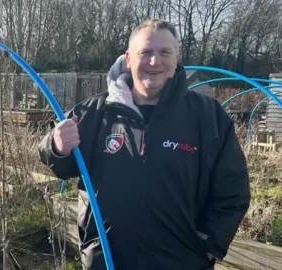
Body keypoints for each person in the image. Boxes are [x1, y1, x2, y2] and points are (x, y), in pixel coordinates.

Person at [38, 18, 250, 270]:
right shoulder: (94, 112)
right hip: (107, 261)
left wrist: (206, 245)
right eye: (146, 52)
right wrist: (56, 146)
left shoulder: (208, 117)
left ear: (176, 58)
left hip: (182, 262)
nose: (154, 61)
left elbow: (233, 191)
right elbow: (60, 163)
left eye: (164, 52)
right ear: (128, 58)